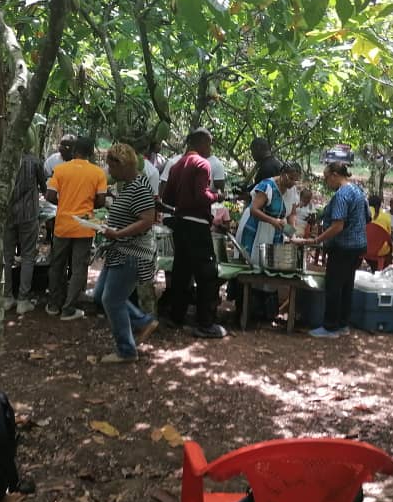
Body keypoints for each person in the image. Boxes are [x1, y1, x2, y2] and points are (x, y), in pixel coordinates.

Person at [94, 143, 159, 363]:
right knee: (101, 295)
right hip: (119, 250)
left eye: (111, 167)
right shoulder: (128, 185)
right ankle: (142, 321)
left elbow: (147, 220)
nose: (109, 172)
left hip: (131, 253)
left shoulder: (139, 187)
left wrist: (119, 233)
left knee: (112, 300)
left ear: (122, 166)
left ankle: (126, 350)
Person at [159, 128, 226, 338]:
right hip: (197, 225)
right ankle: (206, 323)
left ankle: (176, 316)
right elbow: (201, 196)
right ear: (201, 143)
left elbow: (167, 198)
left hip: (180, 225)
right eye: (209, 143)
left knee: (181, 272)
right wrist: (217, 196)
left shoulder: (177, 164)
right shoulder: (202, 164)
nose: (210, 148)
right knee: (207, 273)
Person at [45, 136, 107, 320]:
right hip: (84, 225)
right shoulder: (98, 173)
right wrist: (87, 205)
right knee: (79, 267)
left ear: (74, 151)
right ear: (91, 152)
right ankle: (69, 308)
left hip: (63, 224)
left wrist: (64, 202)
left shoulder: (61, 170)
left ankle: (53, 304)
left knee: (57, 264)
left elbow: (49, 196)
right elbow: (101, 201)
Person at [305, 162, 368, 338]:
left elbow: (338, 225)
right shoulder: (358, 190)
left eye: (326, 178)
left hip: (343, 247)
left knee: (333, 286)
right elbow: (367, 217)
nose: (326, 182)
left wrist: (318, 239)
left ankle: (330, 327)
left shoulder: (341, 195)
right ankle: (342, 324)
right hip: (358, 246)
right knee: (346, 285)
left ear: (334, 175)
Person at [3, 136, 46, 314]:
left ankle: (6, 297)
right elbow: (44, 187)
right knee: (28, 256)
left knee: (7, 257)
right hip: (29, 214)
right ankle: (23, 299)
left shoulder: (5, 160)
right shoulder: (35, 162)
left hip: (7, 213)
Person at [234, 161, 302, 267]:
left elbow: (291, 214)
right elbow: (253, 210)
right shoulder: (267, 186)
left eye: (296, 180)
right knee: (250, 263)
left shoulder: (292, 190)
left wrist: (291, 233)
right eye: (291, 178)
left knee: (268, 264)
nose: (293, 182)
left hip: (275, 229)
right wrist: (272, 221)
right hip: (256, 227)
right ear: (283, 173)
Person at [367, 194, 392, 262]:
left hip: (363, 249)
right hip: (381, 251)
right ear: (380, 204)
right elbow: (389, 235)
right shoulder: (386, 216)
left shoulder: (361, 214)